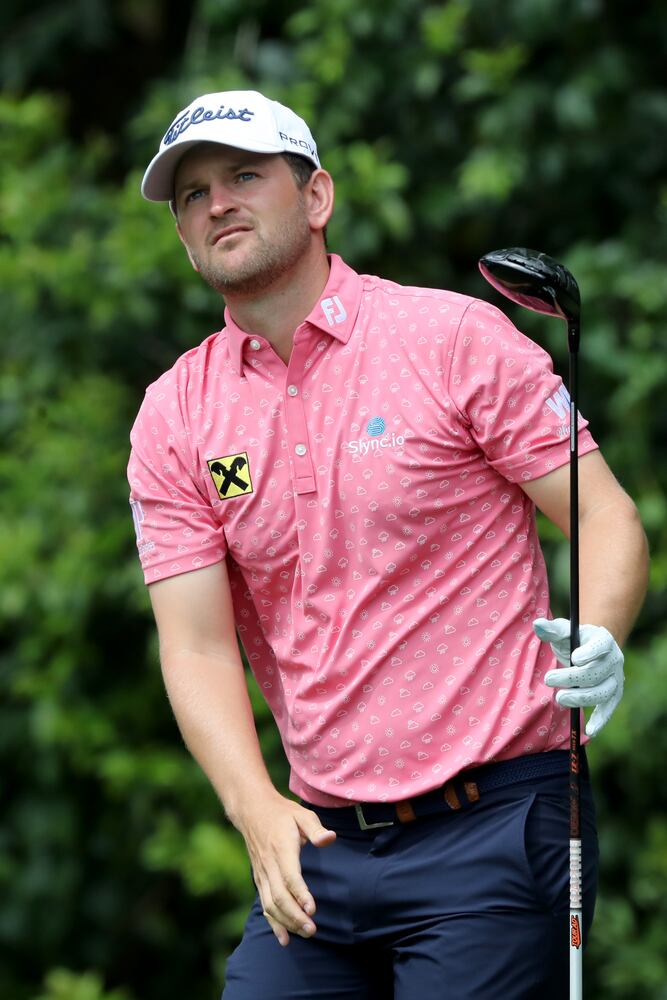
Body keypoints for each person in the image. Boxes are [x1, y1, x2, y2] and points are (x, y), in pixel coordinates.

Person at [127, 89, 649, 999]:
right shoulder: (176, 413)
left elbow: (605, 516)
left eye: (243, 175)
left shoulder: (451, 338)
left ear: (317, 196)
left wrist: (599, 634)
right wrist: (254, 807)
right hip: (319, 844)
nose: (215, 203)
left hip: (495, 824)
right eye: (191, 194)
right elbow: (197, 642)